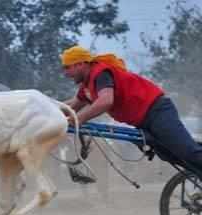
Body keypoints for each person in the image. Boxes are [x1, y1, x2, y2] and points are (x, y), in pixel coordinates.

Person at [60, 45, 202, 174]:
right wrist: (48, 112)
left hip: (157, 111)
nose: (65, 73)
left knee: (188, 152)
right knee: (169, 154)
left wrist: (78, 119)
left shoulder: (100, 73)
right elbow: (71, 106)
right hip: (144, 120)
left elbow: (105, 101)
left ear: (81, 64)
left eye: (67, 67)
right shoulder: (86, 85)